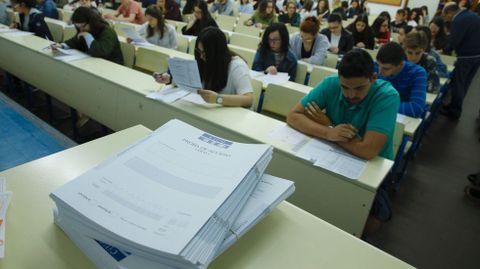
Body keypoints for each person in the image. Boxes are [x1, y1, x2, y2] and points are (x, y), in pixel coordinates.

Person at [286, 48, 400, 161]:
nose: (351, 95)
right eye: (344, 87)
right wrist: (329, 132)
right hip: (334, 153)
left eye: (359, 88)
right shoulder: (331, 83)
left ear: (373, 78)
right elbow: (292, 116)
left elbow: (367, 151)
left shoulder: (387, 96)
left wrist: (329, 126)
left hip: (374, 165)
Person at [155, 27, 254, 107]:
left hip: (231, 116)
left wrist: (218, 98)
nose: (201, 57)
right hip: (209, 111)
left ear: (216, 53)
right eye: (199, 52)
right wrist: (171, 79)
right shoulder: (204, 60)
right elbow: (195, 83)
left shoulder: (237, 66)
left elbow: (248, 99)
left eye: (205, 53)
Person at [440, 3, 480, 120]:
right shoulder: (469, 15)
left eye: (445, 16)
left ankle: (454, 111)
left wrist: (444, 50)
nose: (446, 19)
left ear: (450, 13)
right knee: (465, 83)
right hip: (477, 55)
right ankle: (454, 106)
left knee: (458, 83)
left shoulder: (458, 20)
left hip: (466, 56)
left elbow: (455, 40)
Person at [375, 42, 427, 118]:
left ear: (400, 64)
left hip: (405, 122)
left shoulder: (418, 73)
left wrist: (382, 105)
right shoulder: (378, 66)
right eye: (378, 65)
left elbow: (416, 109)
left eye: (386, 68)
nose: (379, 71)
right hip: (383, 115)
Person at [56, 7, 124, 64]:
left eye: (83, 26)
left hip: (112, 65)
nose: (81, 29)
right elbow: (76, 41)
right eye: (78, 27)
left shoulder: (108, 31)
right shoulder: (84, 29)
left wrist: (88, 37)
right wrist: (62, 46)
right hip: (96, 63)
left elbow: (100, 52)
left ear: (91, 22)